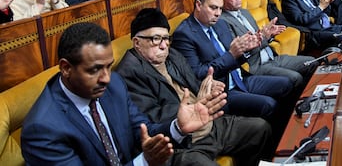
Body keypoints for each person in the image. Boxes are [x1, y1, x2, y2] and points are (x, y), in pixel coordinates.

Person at [21, 22, 228, 165]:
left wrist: (178, 128)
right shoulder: (42, 128)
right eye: (94, 70)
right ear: (66, 68)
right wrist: (144, 162)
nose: (106, 78)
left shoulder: (114, 85)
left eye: (109, 67)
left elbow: (143, 131)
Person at [116, 8, 274, 166]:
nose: (164, 45)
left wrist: (209, 88)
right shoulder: (128, 73)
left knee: (261, 128)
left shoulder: (173, 55)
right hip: (182, 143)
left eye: (166, 38)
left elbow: (194, 84)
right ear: (137, 43)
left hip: (208, 125)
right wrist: (195, 105)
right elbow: (151, 120)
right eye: (156, 39)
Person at [172, 0, 293, 120]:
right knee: (269, 104)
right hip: (222, 91)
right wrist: (232, 55)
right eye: (213, 8)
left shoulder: (220, 23)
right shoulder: (184, 34)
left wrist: (248, 49)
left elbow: (236, 56)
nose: (218, 13)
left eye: (220, 8)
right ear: (199, 5)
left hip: (240, 79)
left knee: (287, 84)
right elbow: (197, 74)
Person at [216, 0, 317, 90]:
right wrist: (264, 37)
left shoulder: (245, 12)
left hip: (272, 57)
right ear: (221, 0)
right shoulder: (222, 22)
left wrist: (270, 35)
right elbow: (241, 54)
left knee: (312, 62)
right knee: (296, 78)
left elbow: (259, 37)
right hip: (256, 65)